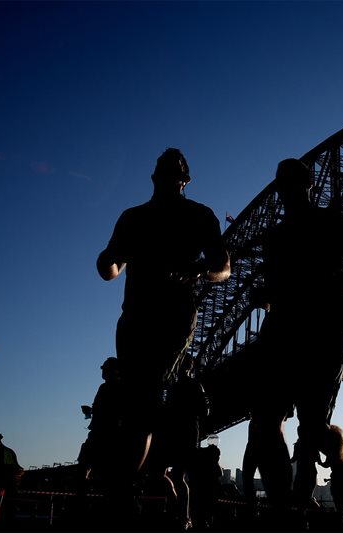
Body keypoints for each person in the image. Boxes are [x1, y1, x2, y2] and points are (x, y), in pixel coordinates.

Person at [96, 147, 230, 513]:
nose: (168, 178)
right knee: (136, 397)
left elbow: (223, 267)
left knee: (145, 395)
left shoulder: (201, 216)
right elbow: (112, 265)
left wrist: (201, 270)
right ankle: (140, 477)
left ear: (184, 180)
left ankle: (123, 491)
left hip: (174, 316)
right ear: (154, 177)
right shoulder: (133, 218)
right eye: (162, 171)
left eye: (174, 173)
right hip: (134, 315)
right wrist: (106, 263)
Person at [252, 157, 343, 522]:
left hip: (326, 330)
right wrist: (266, 296)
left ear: (308, 185)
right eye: (281, 184)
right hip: (281, 330)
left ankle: (340, 458)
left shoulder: (332, 222)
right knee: (264, 422)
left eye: (292, 182)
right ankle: (284, 508)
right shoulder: (273, 237)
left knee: (311, 428)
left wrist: (325, 288)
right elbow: (279, 287)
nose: (285, 190)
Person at [147, 355, 209, 530]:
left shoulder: (195, 385)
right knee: (159, 472)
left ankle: (184, 516)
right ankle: (177, 507)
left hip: (185, 435)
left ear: (188, 365)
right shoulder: (172, 385)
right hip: (172, 434)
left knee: (178, 475)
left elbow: (205, 411)